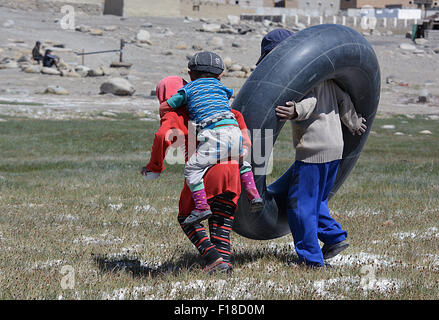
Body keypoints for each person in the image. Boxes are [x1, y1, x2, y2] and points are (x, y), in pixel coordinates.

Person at [258, 29, 368, 267]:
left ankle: (311, 260)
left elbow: (310, 101)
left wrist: (295, 110)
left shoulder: (303, 81)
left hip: (314, 152)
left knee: (300, 206)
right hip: (334, 150)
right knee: (316, 200)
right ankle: (334, 238)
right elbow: (344, 100)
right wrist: (354, 122)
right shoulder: (327, 78)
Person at [141, 76, 252, 273]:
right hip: (232, 170)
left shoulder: (175, 114)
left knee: (186, 217)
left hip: (205, 173)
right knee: (221, 216)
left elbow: (161, 136)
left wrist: (154, 167)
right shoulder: (226, 112)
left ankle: (212, 258)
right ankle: (222, 264)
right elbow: (242, 130)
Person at [160, 51, 263, 227]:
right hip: (234, 131)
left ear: (190, 74)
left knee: (192, 169)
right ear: (221, 75)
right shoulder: (222, 89)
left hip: (215, 136)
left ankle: (201, 207)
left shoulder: (189, 89)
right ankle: (254, 196)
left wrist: (164, 109)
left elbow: (170, 105)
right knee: (242, 163)